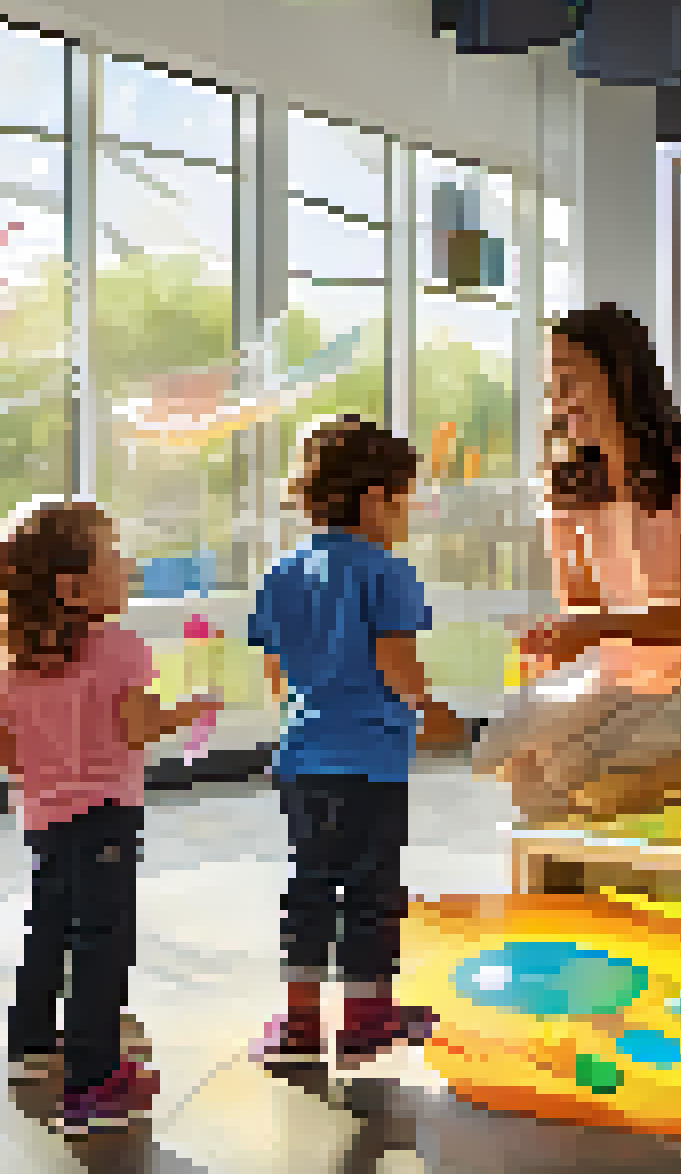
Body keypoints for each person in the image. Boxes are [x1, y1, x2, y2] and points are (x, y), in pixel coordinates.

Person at [477, 302, 681, 823]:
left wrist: (585, 632)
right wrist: (554, 653)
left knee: (588, 777)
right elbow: (582, 610)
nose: (560, 400)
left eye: (570, 380)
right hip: (624, 676)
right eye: (552, 385)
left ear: (623, 377)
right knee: (511, 756)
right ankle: (566, 890)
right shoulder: (565, 484)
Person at [246, 416, 468, 1072]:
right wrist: (431, 710)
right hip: (371, 763)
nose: (406, 517)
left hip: (304, 757)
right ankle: (368, 1016)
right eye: (403, 501)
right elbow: (395, 658)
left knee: (308, 885)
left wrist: (306, 708)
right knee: (370, 888)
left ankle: (300, 1019)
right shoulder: (387, 573)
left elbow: (275, 671)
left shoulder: (284, 571)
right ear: (373, 499)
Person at [0, 497, 219, 1135]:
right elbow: (137, 728)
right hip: (105, 819)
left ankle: (34, 1048)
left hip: (43, 822)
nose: (129, 565)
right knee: (101, 944)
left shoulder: (13, 666)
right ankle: (94, 1081)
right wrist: (188, 711)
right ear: (73, 587)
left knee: (49, 932)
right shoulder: (119, 648)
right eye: (114, 556)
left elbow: (12, 755)